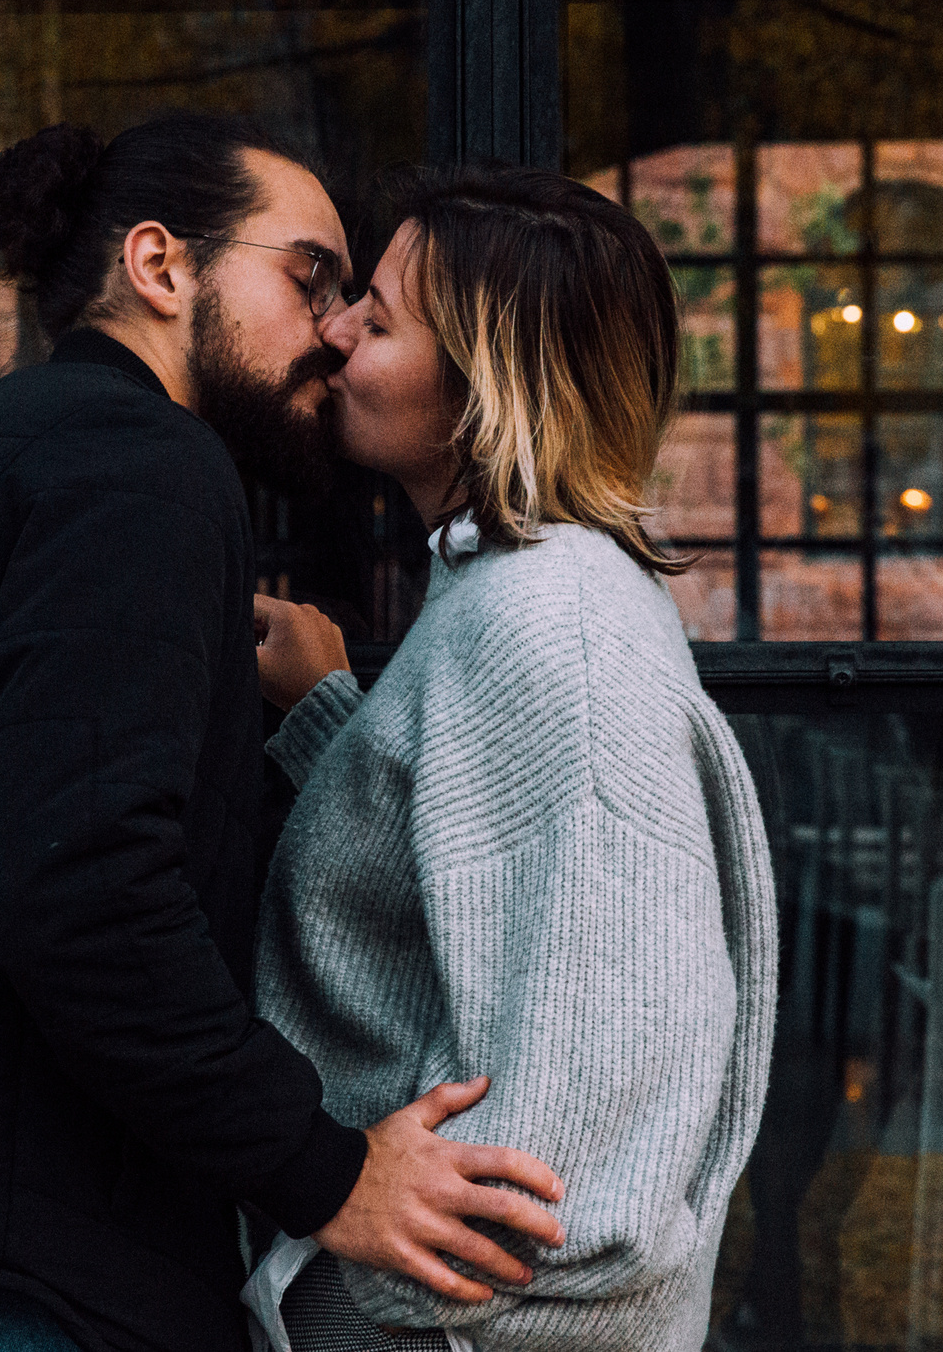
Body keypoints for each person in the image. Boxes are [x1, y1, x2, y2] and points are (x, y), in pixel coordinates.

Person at [0, 114, 564, 1352]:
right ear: (161, 266)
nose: (337, 330)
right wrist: (328, 1172)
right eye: (309, 279)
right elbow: (76, 884)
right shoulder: (135, 463)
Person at [242, 165, 778, 1352]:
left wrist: (406, 1302)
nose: (331, 332)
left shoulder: (553, 627)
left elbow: (603, 1070)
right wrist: (335, 715)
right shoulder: (509, 595)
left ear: (484, 385)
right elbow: (472, 880)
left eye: (374, 318)